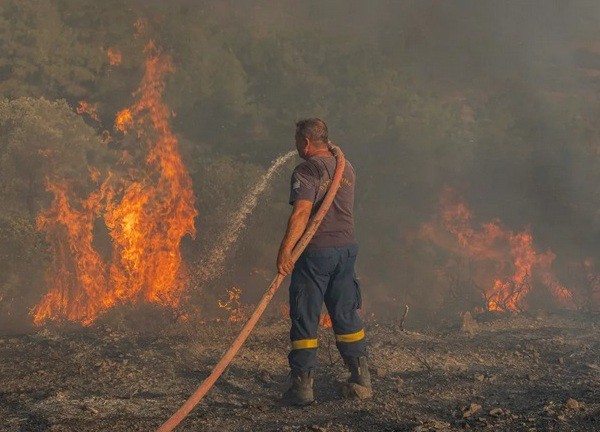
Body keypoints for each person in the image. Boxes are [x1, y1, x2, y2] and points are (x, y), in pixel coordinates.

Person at [277, 118, 371, 406]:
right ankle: (361, 379)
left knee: (305, 316)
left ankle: (302, 389)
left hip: (315, 254)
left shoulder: (307, 169)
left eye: (297, 142)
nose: (295, 147)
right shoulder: (346, 166)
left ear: (305, 142)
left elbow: (302, 213)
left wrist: (285, 250)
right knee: (345, 314)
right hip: (346, 251)